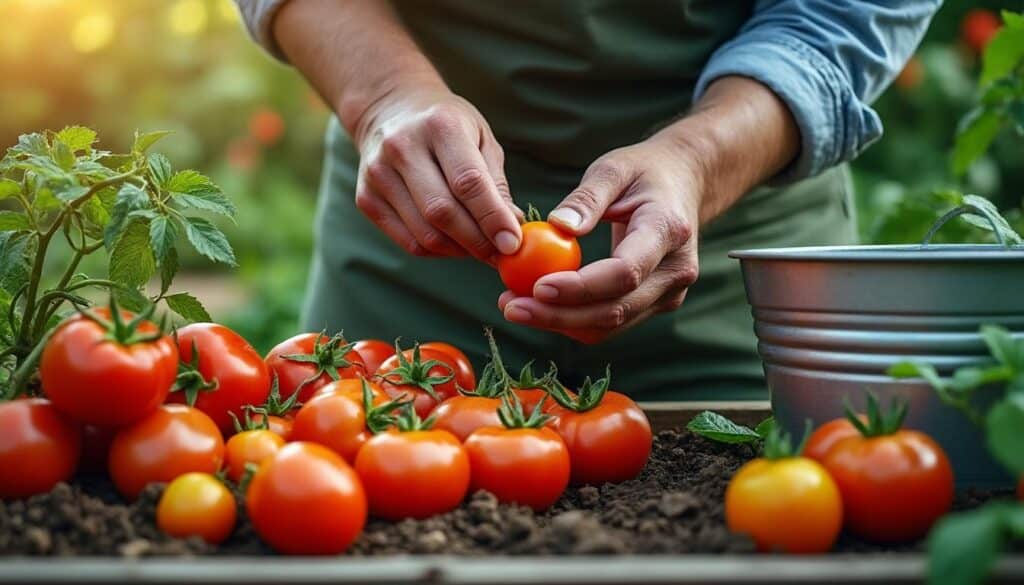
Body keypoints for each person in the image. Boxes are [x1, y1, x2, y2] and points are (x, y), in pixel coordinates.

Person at [238, 0, 940, 399]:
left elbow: (847, 14)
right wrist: (384, 95)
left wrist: (699, 161)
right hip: (412, 231)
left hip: (739, 249)